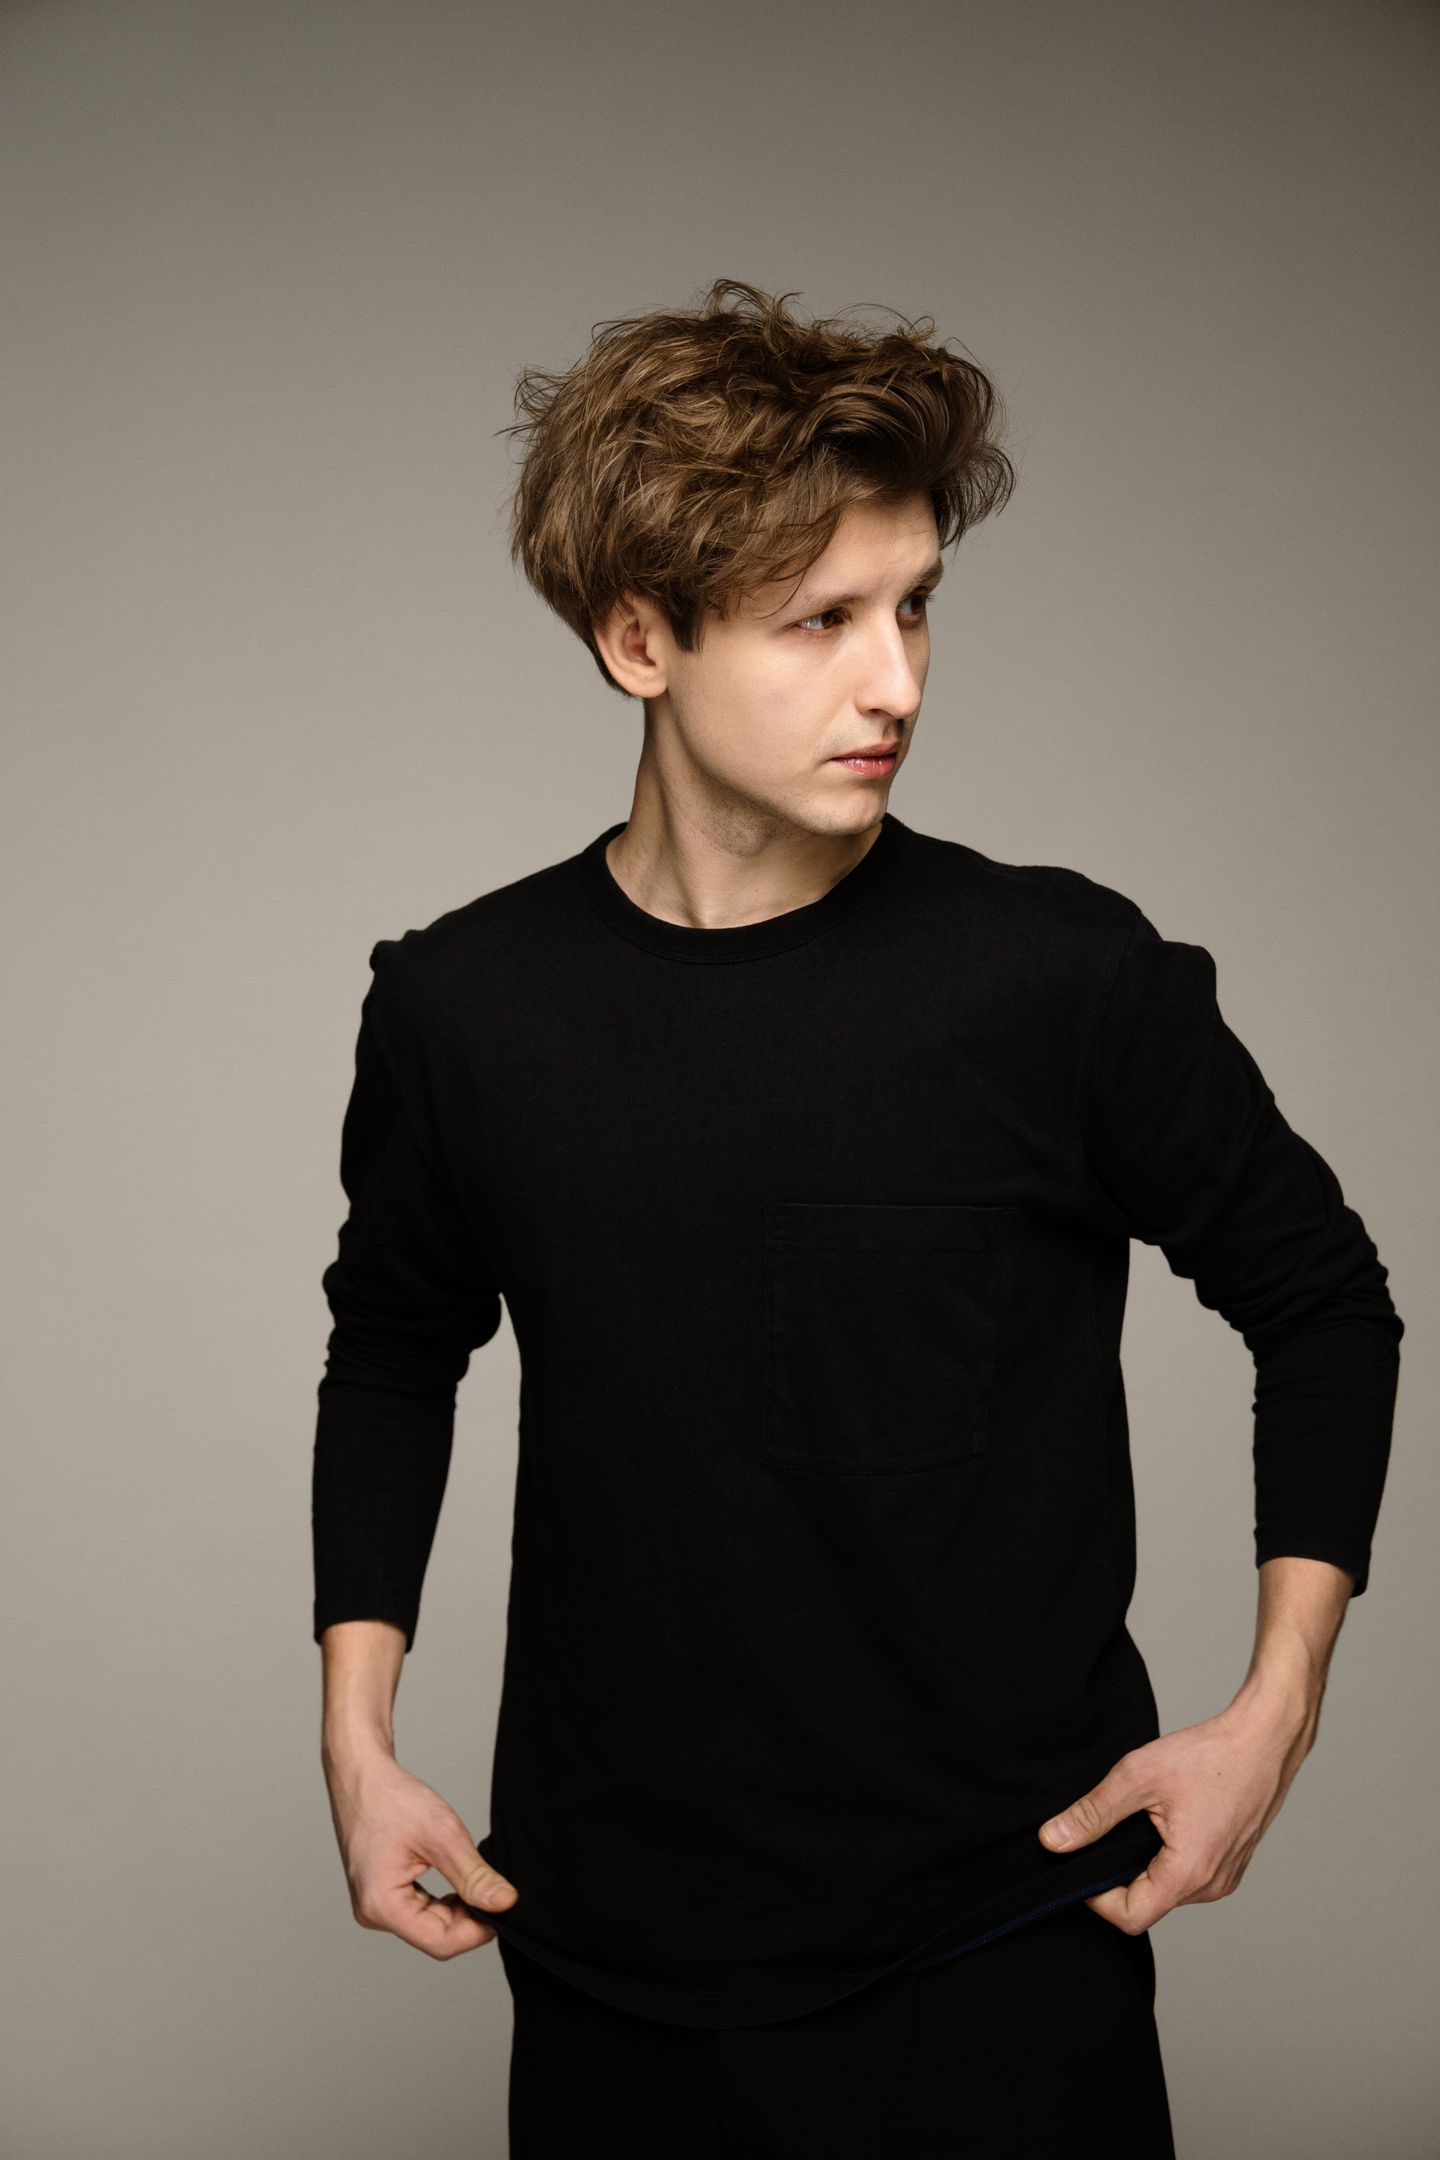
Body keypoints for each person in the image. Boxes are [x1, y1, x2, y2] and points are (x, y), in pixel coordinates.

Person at [312, 278, 1404, 2156]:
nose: (895, 682)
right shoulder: (465, 1010)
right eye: (820, 620)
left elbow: (1324, 1299)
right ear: (637, 638)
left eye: (914, 609)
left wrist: (1274, 1710)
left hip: (997, 1948)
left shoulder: (1059, 980)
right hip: (604, 1955)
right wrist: (357, 1736)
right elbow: (395, 1349)